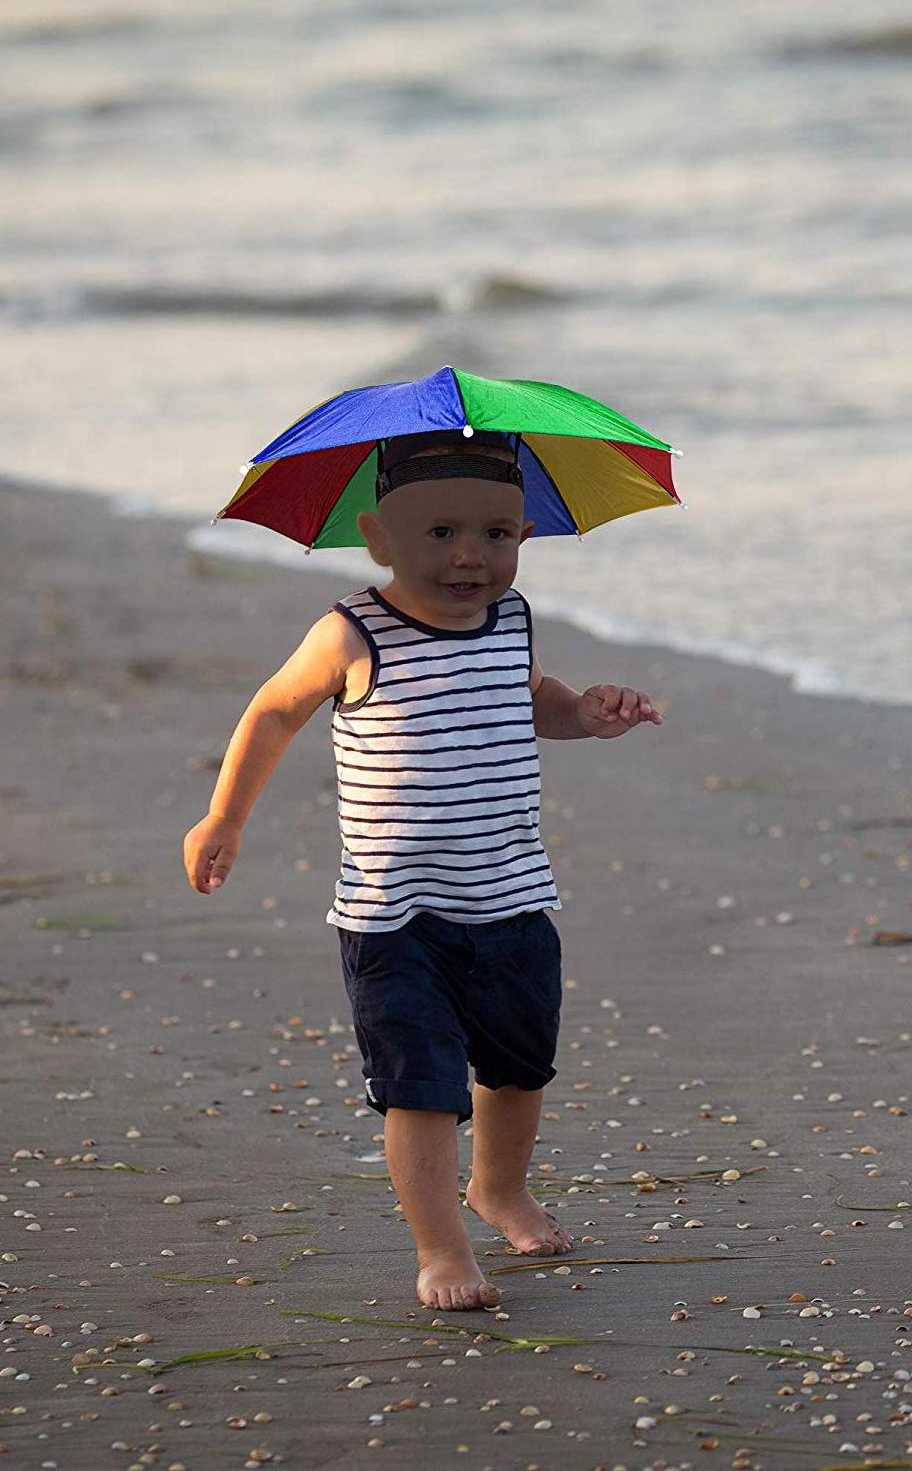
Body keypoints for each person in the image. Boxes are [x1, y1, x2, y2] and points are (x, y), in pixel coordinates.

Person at [182, 428, 662, 1311]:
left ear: (524, 534)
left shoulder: (511, 621)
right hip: (395, 913)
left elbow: (535, 702)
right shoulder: (351, 631)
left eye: (498, 534)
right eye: (439, 534)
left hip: (512, 898)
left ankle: (500, 1189)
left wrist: (588, 713)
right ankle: (441, 1248)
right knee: (421, 1085)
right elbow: (275, 713)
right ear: (378, 538)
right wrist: (226, 815)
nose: (471, 556)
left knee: (521, 1068)